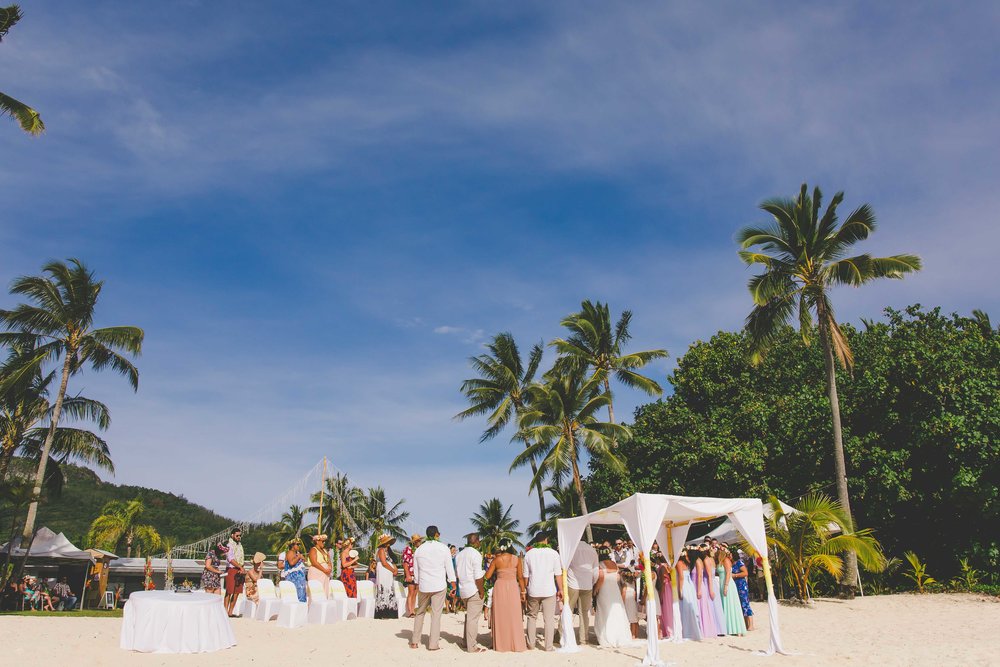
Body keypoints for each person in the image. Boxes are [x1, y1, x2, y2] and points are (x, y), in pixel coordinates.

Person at [410, 525, 456, 651]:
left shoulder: (419, 549)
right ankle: (433, 644)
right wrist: (453, 583)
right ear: (437, 534)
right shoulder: (443, 548)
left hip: (424, 585)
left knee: (420, 613)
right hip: (439, 585)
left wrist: (418, 582)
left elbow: (416, 569)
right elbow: (449, 567)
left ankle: (414, 641)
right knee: (436, 615)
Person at [484, 538, 527, 653]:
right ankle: (515, 643)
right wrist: (523, 592)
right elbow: (521, 577)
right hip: (513, 586)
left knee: (500, 614)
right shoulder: (516, 559)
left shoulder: (496, 560)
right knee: (514, 614)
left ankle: (502, 644)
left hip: (500, 587)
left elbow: (487, 576)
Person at [522, 534, 562, 651]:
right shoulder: (554, 553)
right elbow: (558, 574)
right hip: (549, 590)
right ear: (546, 540)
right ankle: (548, 646)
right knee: (549, 619)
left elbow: (526, 575)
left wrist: (526, 588)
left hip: (533, 589)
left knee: (531, 617)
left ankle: (531, 644)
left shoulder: (529, 554)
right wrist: (561, 589)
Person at [594, 547, 633, 647]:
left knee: (605, 612)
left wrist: (596, 590)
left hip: (604, 591)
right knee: (616, 611)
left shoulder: (600, 564)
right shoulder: (614, 564)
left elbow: (601, 578)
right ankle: (619, 634)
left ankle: (607, 635)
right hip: (615, 590)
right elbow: (618, 577)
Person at [454, 533, 487, 652]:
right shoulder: (476, 554)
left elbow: (457, 574)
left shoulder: (459, 554)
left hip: (463, 588)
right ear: (476, 541)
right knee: (473, 619)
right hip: (473, 589)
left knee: (469, 617)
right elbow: (478, 576)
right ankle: (472, 646)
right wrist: (482, 591)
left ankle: (465, 641)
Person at [567, 538, 599, 645]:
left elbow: (565, 566)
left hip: (573, 582)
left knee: (568, 610)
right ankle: (584, 639)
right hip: (587, 584)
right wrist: (592, 582)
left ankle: (562, 634)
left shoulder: (571, 548)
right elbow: (595, 570)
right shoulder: (592, 550)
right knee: (584, 612)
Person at [719, 545, 746, 636]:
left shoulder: (726, 561)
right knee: (726, 605)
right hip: (722, 583)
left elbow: (728, 574)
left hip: (728, 584)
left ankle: (736, 628)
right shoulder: (720, 561)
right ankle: (727, 627)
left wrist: (726, 586)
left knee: (731, 605)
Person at [676, 548, 702, 641]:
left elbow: (681, 578)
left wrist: (680, 590)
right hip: (690, 585)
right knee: (691, 608)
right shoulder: (688, 563)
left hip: (685, 586)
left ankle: (687, 631)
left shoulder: (679, 563)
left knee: (685, 608)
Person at [374, 533, 399, 619]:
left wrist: (395, 569)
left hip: (388, 572)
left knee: (389, 589)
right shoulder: (381, 550)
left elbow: (391, 562)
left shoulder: (387, 551)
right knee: (384, 588)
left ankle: (390, 610)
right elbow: (384, 563)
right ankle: (383, 612)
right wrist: (392, 570)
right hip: (383, 571)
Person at [224, 528, 246, 617]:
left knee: (237, 591)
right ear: (232, 535)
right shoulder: (229, 545)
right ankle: (225, 612)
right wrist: (240, 567)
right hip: (232, 569)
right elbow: (231, 559)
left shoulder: (240, 546)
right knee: (229, 591)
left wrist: (242, 568)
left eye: (240, 535)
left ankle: (230, 612)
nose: (239, 537)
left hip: (240, 568)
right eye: (237, 535)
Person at [704, 544, 726, 636]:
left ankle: (717, 629)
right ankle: (721, 628)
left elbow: (709, 575)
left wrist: (710, 589)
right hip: (714, 583)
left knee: (713, 605)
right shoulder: (712, 560)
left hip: (710, 584)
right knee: (717, 605)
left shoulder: (706, 560)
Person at [732, 549, 755, 630]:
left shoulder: (739, 563)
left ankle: (751, 625)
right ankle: (745, 624)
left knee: (745, 604)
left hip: (741, 585)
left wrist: (735, 575)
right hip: (736, 585)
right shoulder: (732, 564)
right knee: (740, 604)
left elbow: (745, 573)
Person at [403, 534, 422, 617]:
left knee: (415, 593)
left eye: (419, 540)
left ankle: (413, 610)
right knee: (411, 592)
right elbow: (405, 563)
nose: (419, 542)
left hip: (418, 573)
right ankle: (410, 611)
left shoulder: (419, 550)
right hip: (410, 573)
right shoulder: (408, 549)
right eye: (418, 541)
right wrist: (407, 575)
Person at [656, 553, 674, 639]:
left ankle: (669, 630)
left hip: (665, 589)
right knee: (667, 608)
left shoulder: (662, 567)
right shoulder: (665, 566)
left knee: (666, 609)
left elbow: (663, 582)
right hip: (667, 588)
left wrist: (661, 594)